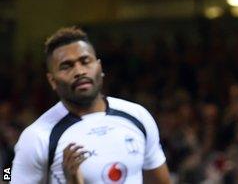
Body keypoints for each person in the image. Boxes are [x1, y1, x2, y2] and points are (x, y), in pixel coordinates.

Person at [10, 27, 170, 184]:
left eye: (85, 61)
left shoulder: (137, 116)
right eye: (67, 66)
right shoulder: (37, 136)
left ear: (99, 67)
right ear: (52, 81)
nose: (79, 71)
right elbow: (6, 175)